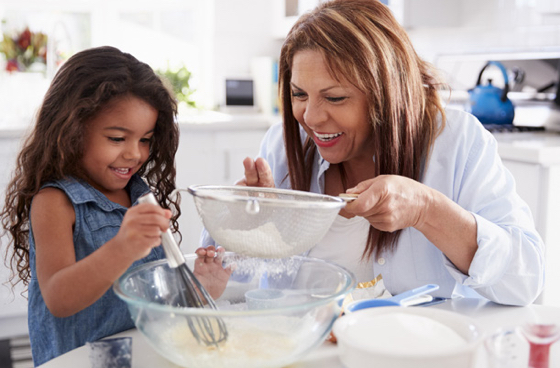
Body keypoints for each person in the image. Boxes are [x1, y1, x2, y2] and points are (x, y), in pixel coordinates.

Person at [227, 0, 544, 306]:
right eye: (299, 94)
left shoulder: (457, 141)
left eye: (335, 98)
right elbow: (231, 284)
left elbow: (524, 282)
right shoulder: (283, 146)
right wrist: (249, 226)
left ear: (387, 94)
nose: (310, 117)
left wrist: (427, 210)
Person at [0, 46, 228, 366]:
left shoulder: (139, 194)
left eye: (145, 139)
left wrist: (201, 289)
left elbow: (149, 297)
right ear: (72, 131)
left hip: (141, 356)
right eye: (118, 139)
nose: (135, 154)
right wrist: (122, 248)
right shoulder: (55, 202)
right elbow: (58, 297)